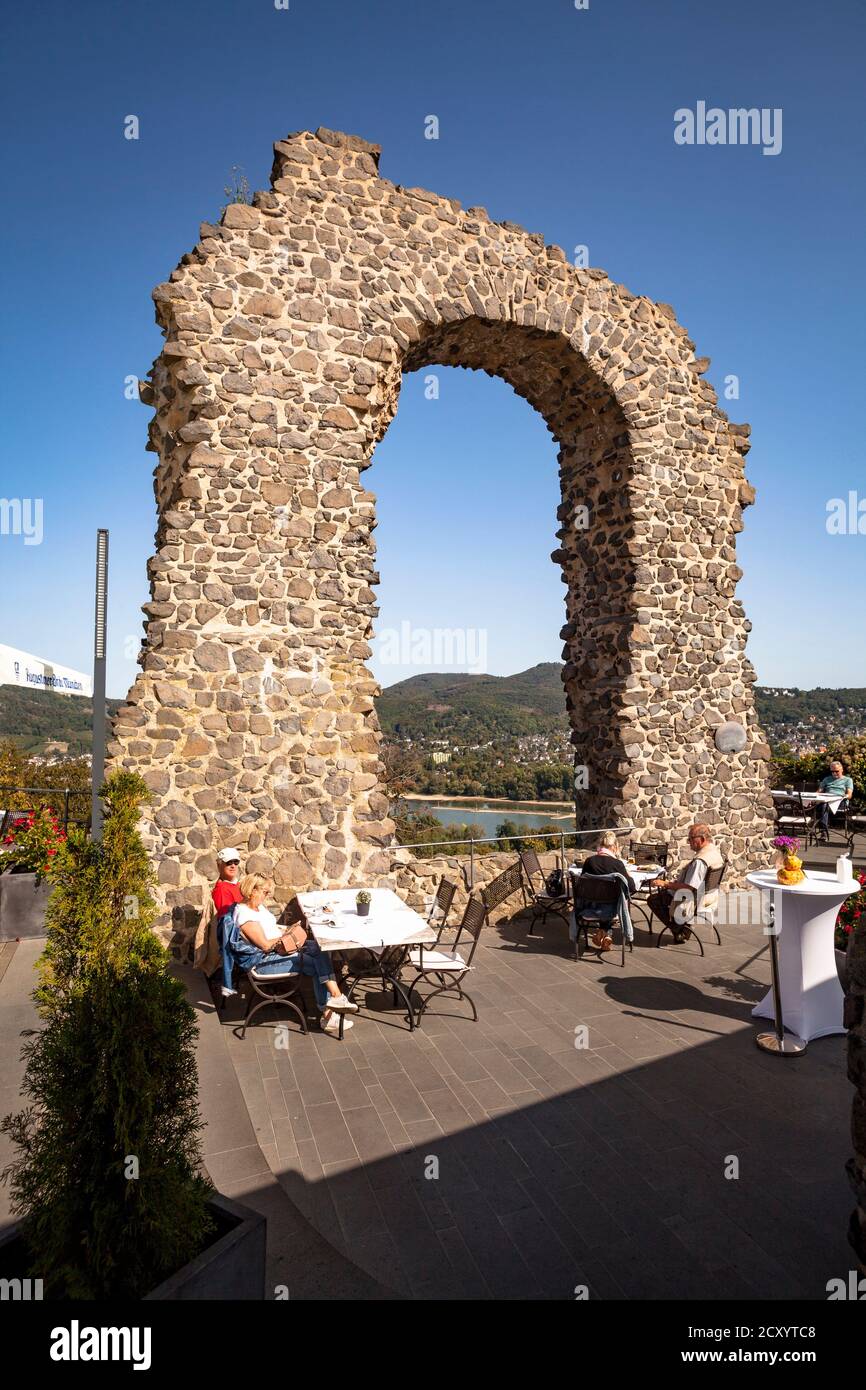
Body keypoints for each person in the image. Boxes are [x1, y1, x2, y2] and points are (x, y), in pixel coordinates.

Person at [224, 873, 358, 1035]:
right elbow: (265, 945)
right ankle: (331, 1008)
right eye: (265, 892)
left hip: (278, 951)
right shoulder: (246, 916)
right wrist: (288, 937)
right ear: (253, 890)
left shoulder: (256, 907)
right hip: (264, 963)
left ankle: (332, 1006)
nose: (268, 895)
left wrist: (289, 930)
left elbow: (271, 930)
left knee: (318, 949)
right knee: (317, 962)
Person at [646, 824, 723, 944]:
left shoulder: (700, 861)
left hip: (693, 900)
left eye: (691, 838)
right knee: (664, 893)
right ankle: (682, 926)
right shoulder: (714, 851)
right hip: (709, 896)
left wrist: (665, 884)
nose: (689, 842)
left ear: (702, 839)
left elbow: (688, 887)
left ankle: (679, 930)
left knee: (653, 899)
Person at [578, 831, 637, 951]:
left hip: (590, 907)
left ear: (601, 845)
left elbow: (581, 885)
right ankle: (607, 934)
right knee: (614, 901)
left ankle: (604, 933)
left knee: (603, 900)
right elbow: (631, 887)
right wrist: (628, 875)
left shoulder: (589, 861)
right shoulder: (617, 864)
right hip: (611, 910)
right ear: (614, 847)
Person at [816, 760, 853, 841]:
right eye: (832, 771)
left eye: (836, 771)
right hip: (827, 800)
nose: (834, 773)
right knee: (821, 805)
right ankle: (821, 831)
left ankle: (823, 833)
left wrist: (845, 796)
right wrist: (813, 797)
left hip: (841, 802)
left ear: (842, 769)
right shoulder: (827, 779)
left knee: (824, 806)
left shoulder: (848, 780)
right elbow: (819, 791)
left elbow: (849, 795)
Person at [212, 847, 243, 915]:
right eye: (229, 862)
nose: (233, 866)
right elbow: (226, 921)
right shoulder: (221, 889)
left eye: (236, 862)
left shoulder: (239, 885)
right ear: (219, 865)